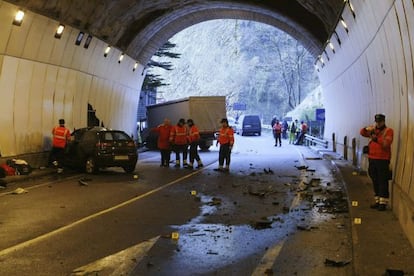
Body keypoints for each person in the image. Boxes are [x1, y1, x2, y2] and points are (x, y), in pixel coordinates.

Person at [360, 113, 394, 211]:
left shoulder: (388, 131)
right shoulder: (373, 130)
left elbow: (386, 144)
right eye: (377, 122)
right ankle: (378, 200)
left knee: (382, 180)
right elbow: (362, 133)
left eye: (380, 122)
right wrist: (366, 129)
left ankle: (383, 203)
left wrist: (375, 138)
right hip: (372, 158)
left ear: (383, 121)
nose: (378, 124)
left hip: (383, 159)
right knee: (374, 179)